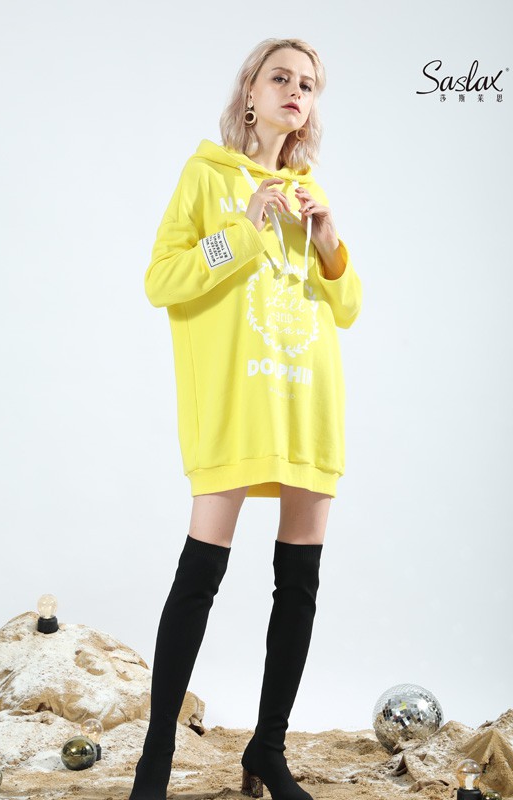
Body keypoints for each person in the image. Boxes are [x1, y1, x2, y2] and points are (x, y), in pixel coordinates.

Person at [128, 37, 362, 800]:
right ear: (251, 93)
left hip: (307, 399)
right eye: (281, 77)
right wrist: (243, 227)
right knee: (201, 572)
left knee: (299, 582)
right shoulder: (206, 175)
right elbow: (161, 280)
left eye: (309, 84)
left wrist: (328, 241)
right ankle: (156, 757)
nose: (296, 90)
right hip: (235, 403)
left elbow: (348, 309)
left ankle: (267, 750)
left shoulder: (310, 191)